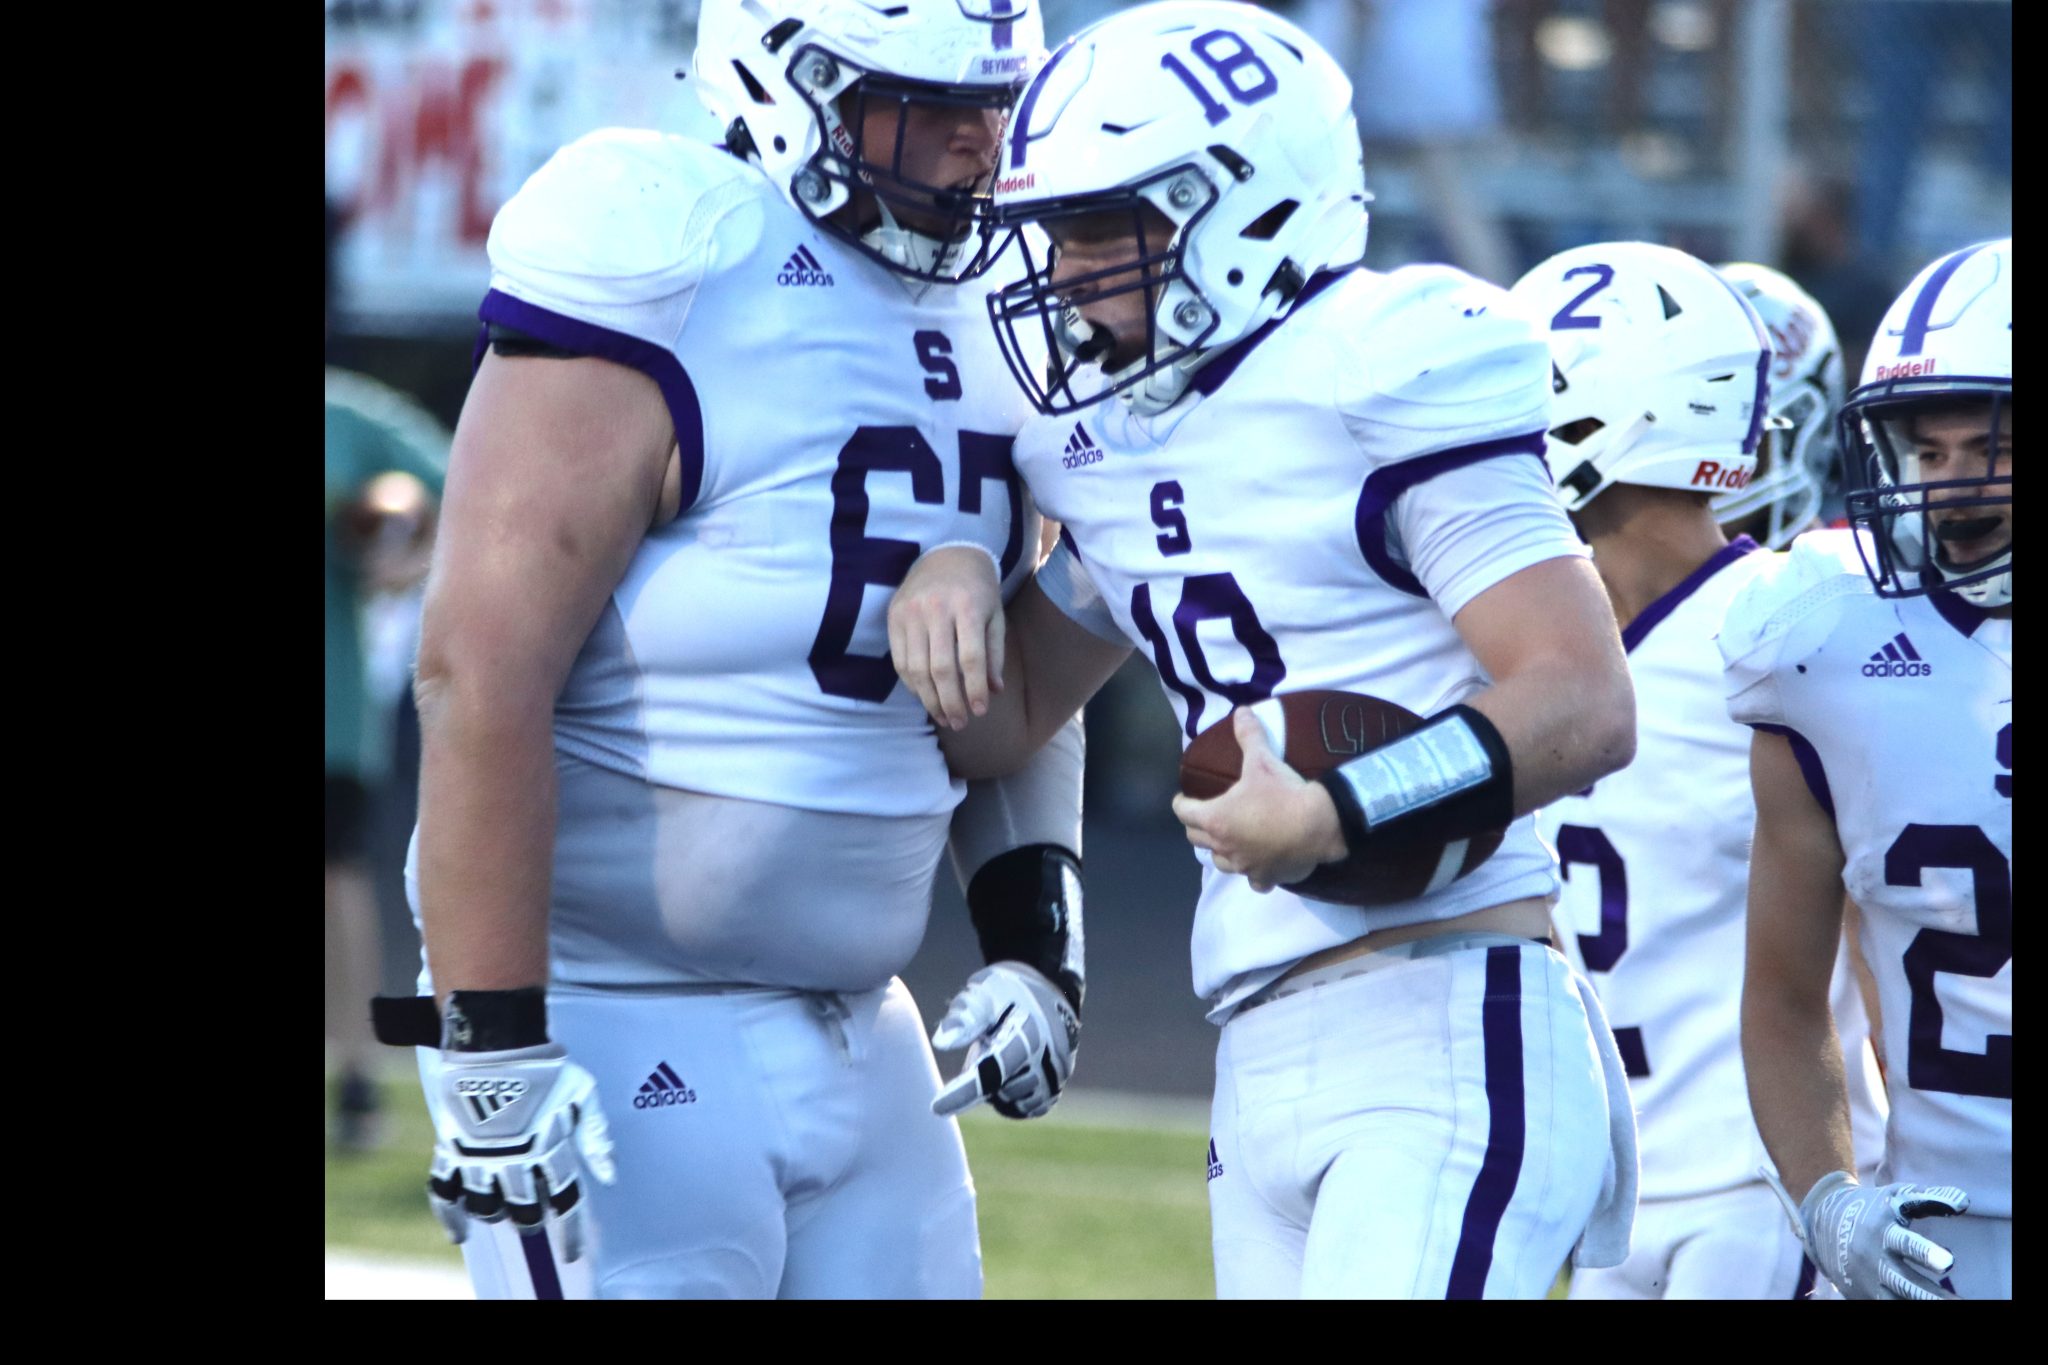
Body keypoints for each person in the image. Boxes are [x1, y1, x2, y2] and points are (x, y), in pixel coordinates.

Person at [888, 0, 1639, 1299]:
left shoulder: (1379, 363)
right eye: (1054, 233)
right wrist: (958, 557)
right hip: (1255, 1036)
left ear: (1244, 207)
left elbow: (1582, 699)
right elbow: (1001, 726)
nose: (1065, 270)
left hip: (1447, 1010)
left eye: (1100, 227)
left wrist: (1338, 810)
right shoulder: (1100, 439)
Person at [395, 0, 1091, 1300]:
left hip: (866, 1031)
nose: (978, 143)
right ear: (793, 82)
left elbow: (1009, 674)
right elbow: (478, 670)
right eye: (930, 103)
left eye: (995, 103)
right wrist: (493, 1039)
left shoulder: (1009, 294)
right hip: (613, 1013)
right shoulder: (672, 248)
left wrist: (1034, 944)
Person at [1508, 243, 1883, 1299]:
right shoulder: (1520, 633)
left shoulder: (1788, 623)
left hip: (1764, 1182)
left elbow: (1885, 915)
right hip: (1608, 1185)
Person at [1722, 237, 2011, 1300]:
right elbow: (1784, 996)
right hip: (1947, 1235)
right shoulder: (1825, 642)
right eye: (1924, 451)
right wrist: (1827, 1198)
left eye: (1986, 449)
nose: (1949, 490)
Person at [325, 360, 447, 1152]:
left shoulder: (345, 414)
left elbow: (454, 480)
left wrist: (406, 557)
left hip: (331, 700)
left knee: (335, 879)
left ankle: (357, 1074)